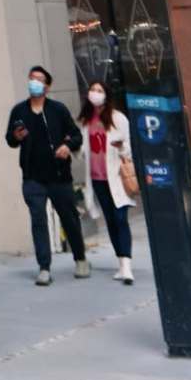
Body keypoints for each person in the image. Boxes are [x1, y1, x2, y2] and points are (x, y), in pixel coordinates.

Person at [3, 65, 87, 284]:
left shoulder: (58, 110)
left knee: (69, 218)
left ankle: (80, 258)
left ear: (47, 86)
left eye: (39, 80)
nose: (34, 82)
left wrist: (67, 146)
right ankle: (44, 267)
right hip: (32, 177)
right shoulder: (19, 111)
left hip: (59, 175)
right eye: (31, 78)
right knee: (38, 221)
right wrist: (16, 136)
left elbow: (76, 135)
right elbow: (10, 140)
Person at [81, 80, 141, 284]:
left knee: (121, 218)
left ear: (106, 95)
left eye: (99, 90)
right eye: (92, 90)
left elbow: (130, 150)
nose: (95, 93)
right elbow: (83, 151)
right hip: (97, 179)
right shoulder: (86, 121)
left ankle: (126, 266)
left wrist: (121, 146)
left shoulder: (118, 119)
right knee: (111, 221)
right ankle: (120, 263)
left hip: (116, 178)